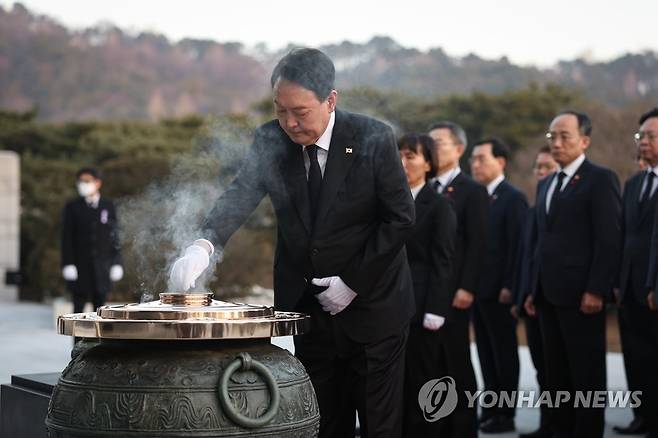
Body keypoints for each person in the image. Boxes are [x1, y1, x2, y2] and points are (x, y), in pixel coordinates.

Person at [169, 48, 416, 438]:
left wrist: (352, 281)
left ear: (330, 100)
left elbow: (400, 219)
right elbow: (240, 195)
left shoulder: (371, 137)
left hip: (374, 308)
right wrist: (203, 243)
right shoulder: (270, 139)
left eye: (300, 112)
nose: (289, 122)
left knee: (378, 423)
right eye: (280, 110)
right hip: (311, 310)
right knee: (320, 420)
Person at [531, 110, 621, 438]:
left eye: (564, 136)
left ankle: (587, 431)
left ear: (584, 140)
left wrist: (597, 289)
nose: (556, 143)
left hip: (582, 294)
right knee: (555, 371)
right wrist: (532, 289)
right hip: (547, 293)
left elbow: (609, 238)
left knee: (586, 372)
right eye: (552, 136)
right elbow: (541, 242)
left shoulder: (600, 179)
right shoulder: (547, 184)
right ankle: (559, 428)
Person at [427, 121, 488, 438]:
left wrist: (468, 286)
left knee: (457, 363)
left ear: (459, 149)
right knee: (430, 364)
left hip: (455, 293)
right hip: (426, 294)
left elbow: (478, 244)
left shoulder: (472, 190)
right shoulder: (423, 187)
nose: (433, 148)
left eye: (439, 142)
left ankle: (463, 428)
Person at [398, 133, 456, 437]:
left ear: (428, 163)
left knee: (423, 378)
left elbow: (443, 261)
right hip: (387, 306)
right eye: (400, 155)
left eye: (411, 156)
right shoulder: (387, 200)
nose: (403, 162)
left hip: (422, 307)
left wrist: (436, 308)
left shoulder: (438, 205)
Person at [469, 138, 527, 433]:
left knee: (504, 355)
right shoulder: (478, 197)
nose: (474, 164)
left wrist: (510, 286)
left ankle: (506, 415)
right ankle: (490, 409)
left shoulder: (512, 198)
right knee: (486, 355)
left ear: (501, 162)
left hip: (501, 292)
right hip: (477, 290)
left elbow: (519, 247)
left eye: (481, 159)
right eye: (473, 159)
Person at [512, 145, 557, 438]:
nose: (541, 173)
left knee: (561, 370)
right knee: (543, 368)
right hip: (533, 298)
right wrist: (524, 294)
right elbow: (527, 257)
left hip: (558, 297)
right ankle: (549, 424)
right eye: (538, 167)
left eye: (547, 167)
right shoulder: (535, 207)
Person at [61, 167, 123, 314]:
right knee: (78, 311)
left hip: (102, 268)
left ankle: (98, 338)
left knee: (100, 311)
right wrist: (67, 263)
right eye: (80, 181)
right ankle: (78, 339)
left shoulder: (108, 205)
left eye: (87, 181)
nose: (83, 184)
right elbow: (66, 238)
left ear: (98, 183)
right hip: (79, 268)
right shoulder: (72, 207)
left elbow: (115, 236)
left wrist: (117, 262)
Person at [637, 108, 658, 438]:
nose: (644, 142)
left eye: (651, 135)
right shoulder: (637, 182)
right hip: (635, 286)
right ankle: (647, 418)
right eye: (641, 135)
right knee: (641, 360)